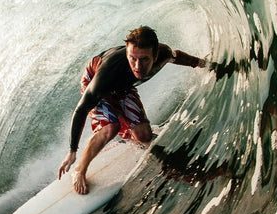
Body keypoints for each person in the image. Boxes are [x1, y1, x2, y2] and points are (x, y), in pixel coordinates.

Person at [57, 26, 208, 194]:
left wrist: (204, 64)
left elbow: (177, 56)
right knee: (111, 127)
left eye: (144, 59)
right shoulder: (107, 73)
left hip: (122, 87)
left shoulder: (164, 54)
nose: (137, 66)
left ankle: (130, 133)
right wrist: (72, 151)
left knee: (144, 136)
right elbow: (81, 110)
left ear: (155, 55)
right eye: (132, 58)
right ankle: (80, 169)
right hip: (95, 78)